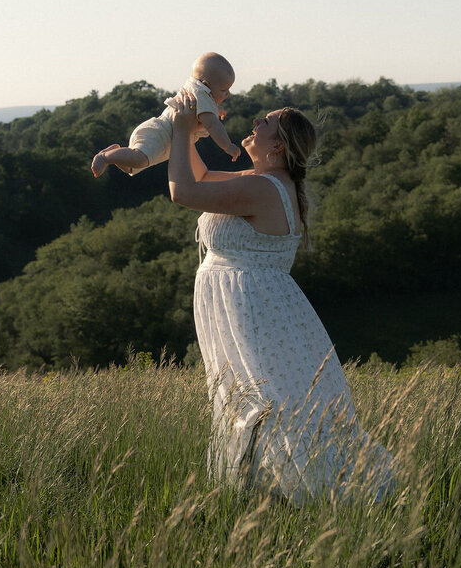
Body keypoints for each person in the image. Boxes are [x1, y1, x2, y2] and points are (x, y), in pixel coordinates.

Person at [165, 90, 395, 504]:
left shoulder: (263, 188)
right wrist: (192, 133)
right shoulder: (261, 182)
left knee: (275, 402)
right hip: (253, 304)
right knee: (267, 400)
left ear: (278, 145)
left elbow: (182, 191)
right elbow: (197, 177)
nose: (255, 124)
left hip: (253, 308)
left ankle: (326, 495)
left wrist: (182, 130)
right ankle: (268, 493)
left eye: (265, 123)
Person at [91, 52, 241, 177]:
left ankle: (114, 153)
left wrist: (215, 108)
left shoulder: (197, 90)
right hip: (159, 134)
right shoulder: (201, 94)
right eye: (223, 90)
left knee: (132, 167)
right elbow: (213, 124)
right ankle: (104, 157)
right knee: (139, 160)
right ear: (207, 85)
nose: (227, 94)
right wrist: (228, 146)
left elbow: (203, 108)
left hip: (163, 138)